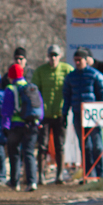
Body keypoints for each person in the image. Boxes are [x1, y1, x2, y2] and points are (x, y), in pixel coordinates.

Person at [63, 48, 103, 180]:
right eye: (75, 60)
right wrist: (64, 114)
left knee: (97, 144)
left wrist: (102, 112)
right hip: (78, 114)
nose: (77, 62)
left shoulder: (95, 75)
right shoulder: (71, 77)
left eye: (80, 60)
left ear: (86, 60)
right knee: (84, 145)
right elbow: (67, 97)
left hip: (93, 115)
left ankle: (101, 173)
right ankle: (89, 174)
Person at [33, 45, 73, 183]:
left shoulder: (67, 69)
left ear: (60, 56)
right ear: (48, 56)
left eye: (56, 55)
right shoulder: (40, 71)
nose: (53, 58)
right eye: (51, 55)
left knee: (59, 145)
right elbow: (34, 91)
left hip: (60, 113)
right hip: (44, 115)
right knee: (42, 146)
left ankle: (59, 175)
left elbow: (73, 87)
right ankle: (41, 175)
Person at [0, 62, 42, 191]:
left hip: (15, 126)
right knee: (29, 153)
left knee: (14, 154)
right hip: (31, 125)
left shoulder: (10, 89)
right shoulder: (32, 88)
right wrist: (38, 122)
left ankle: (15, 182)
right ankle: (32, 182)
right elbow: (40, 107)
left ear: (11, 76)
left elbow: (6, 110)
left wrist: (5, 126)